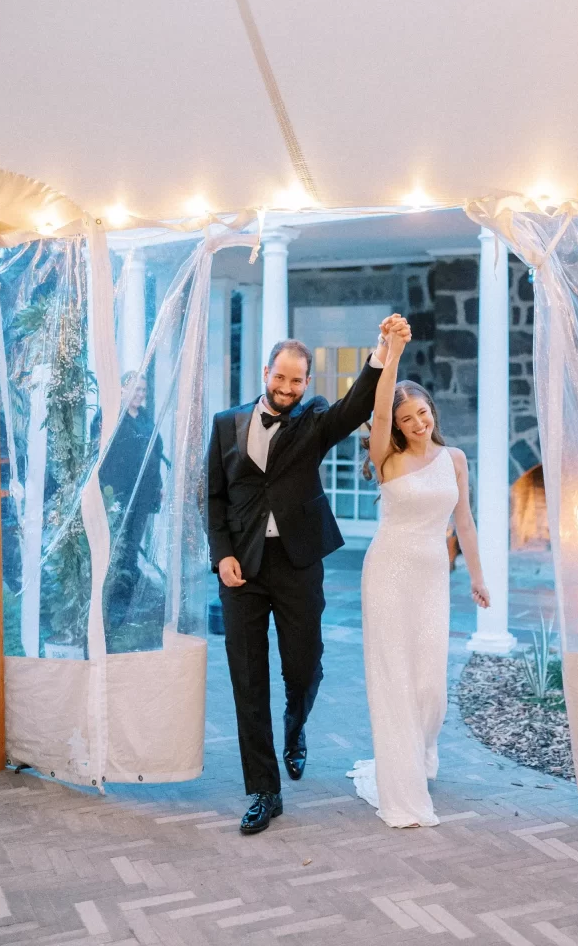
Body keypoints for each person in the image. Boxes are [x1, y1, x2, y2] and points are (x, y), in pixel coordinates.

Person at [207, 317, 410, 835]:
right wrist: (221, 554)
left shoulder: (313, 418)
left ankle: (296, 726)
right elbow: (214, 498)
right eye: (281, 378)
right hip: (242, 570)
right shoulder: (226, 423)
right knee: (247, 680)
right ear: (266, 372)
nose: (287, 389)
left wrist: (380, 355)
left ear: (307, 384)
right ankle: (264, 791)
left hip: (298, 563)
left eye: (298, 382)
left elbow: (352, 410)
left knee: (303, 667)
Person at [348, 324, 491, 828]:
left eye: (423, 413)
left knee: (431, 687)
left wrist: (477, 576)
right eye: (406, 419)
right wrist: (394, 355)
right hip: (387, 574)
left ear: (433, 411)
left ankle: (421, 751)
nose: (417, 424)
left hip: (432, 579)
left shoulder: (454, 460)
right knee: (395, 681)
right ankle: (402, 787)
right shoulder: (386, 459)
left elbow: (465, 521)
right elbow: (382, 404)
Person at [94, 372, 164, 645]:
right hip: (117, 494)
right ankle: (109, 609)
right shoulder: (109, 415)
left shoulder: (146, 419)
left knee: (132, 548)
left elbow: (155, 454)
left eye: (144, 389)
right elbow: (98, 452)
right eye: (135, 388)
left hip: (143, 496)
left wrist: (157, 485)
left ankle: (125, 607)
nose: (140, 393)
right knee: (116, 548)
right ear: (122, 389)